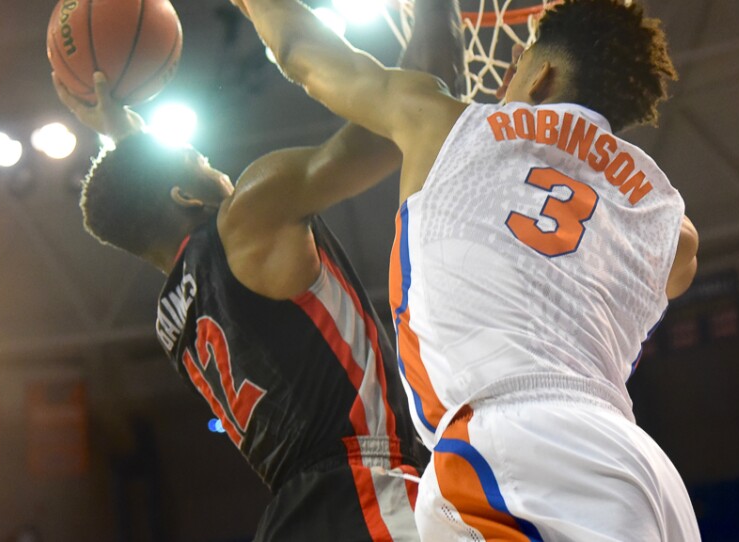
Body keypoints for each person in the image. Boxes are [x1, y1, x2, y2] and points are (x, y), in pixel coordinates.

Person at [234, 0, 702, 540]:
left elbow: (304, 56)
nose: (503, 84)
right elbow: (669, 260)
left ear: (542, 75)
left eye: (517, 66)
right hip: (641, 469)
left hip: (514, 449)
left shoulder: (444, 124)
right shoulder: (667, 223)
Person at [52, 0, 464, 538]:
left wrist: (117, 126)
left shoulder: (175, 315)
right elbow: (412, 110)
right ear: (183, 193)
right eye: (201, 162)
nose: (215, 166)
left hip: (294, 519)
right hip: (361, 495)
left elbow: (143, 200)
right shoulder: (248, 216)